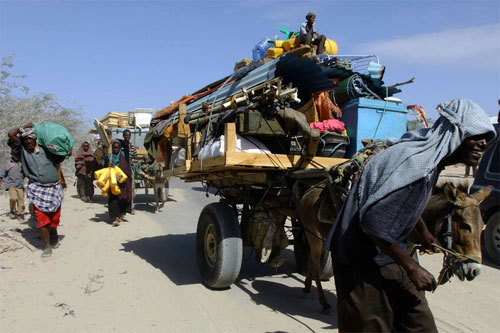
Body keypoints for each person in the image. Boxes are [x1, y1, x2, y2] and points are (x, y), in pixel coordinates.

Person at [325, 98, 496, 332]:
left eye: (487, 138)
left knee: (420, 325)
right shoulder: (416, 165)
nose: (483, 144)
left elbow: (405, 207)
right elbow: (373, 222)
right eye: (476, 136)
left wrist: (423, 233)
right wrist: (413, 268)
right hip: (361, 258)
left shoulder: (431, 163)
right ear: (454, 134)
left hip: (391, 254)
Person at [8, 123, 68, 258]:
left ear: (36, 139)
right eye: (25, 140)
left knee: (54, 218)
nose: (28, 141)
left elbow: (61, 157)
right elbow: (11, 135)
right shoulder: (22, 152)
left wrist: (66, 151)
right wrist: (23, 126)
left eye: (30, 138)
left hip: (53, 188)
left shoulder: (47, 150)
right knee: (42, 219)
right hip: (37, 189)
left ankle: (53, 232)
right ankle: (47, 246)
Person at [104, 140, 132, 227]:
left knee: (122, 198)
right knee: (113, 198)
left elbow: (128, 166)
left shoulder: (124, 155)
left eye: (117, 147)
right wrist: (108, 165)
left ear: (120, 148)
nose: (116, 149)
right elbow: (103, 166)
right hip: (112, 181)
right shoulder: (109, 156)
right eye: (114, 148)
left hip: (122, 181)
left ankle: (120, 215)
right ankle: (116, 217)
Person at [0, 152, 25, 220]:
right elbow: (2, 174)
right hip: (11, 184)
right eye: (15, 155)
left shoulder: (22, 163)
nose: (16, 156)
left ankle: (19, 214)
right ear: (12, 155)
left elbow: (26, 173)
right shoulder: (8, 164)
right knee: (13, 198)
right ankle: (12, 210)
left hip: (20, 185)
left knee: (21, 201)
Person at [119, 129, 137, 214]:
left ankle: (130, 207)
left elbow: (134, 155)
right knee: (121, 187)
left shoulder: (131, 146)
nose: (128, 137)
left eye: (129, 135)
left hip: (129, 169)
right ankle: (121, 208)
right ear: (123, 135)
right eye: (126, 135)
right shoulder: (119, 145)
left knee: (130, 188)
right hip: (120, 170)